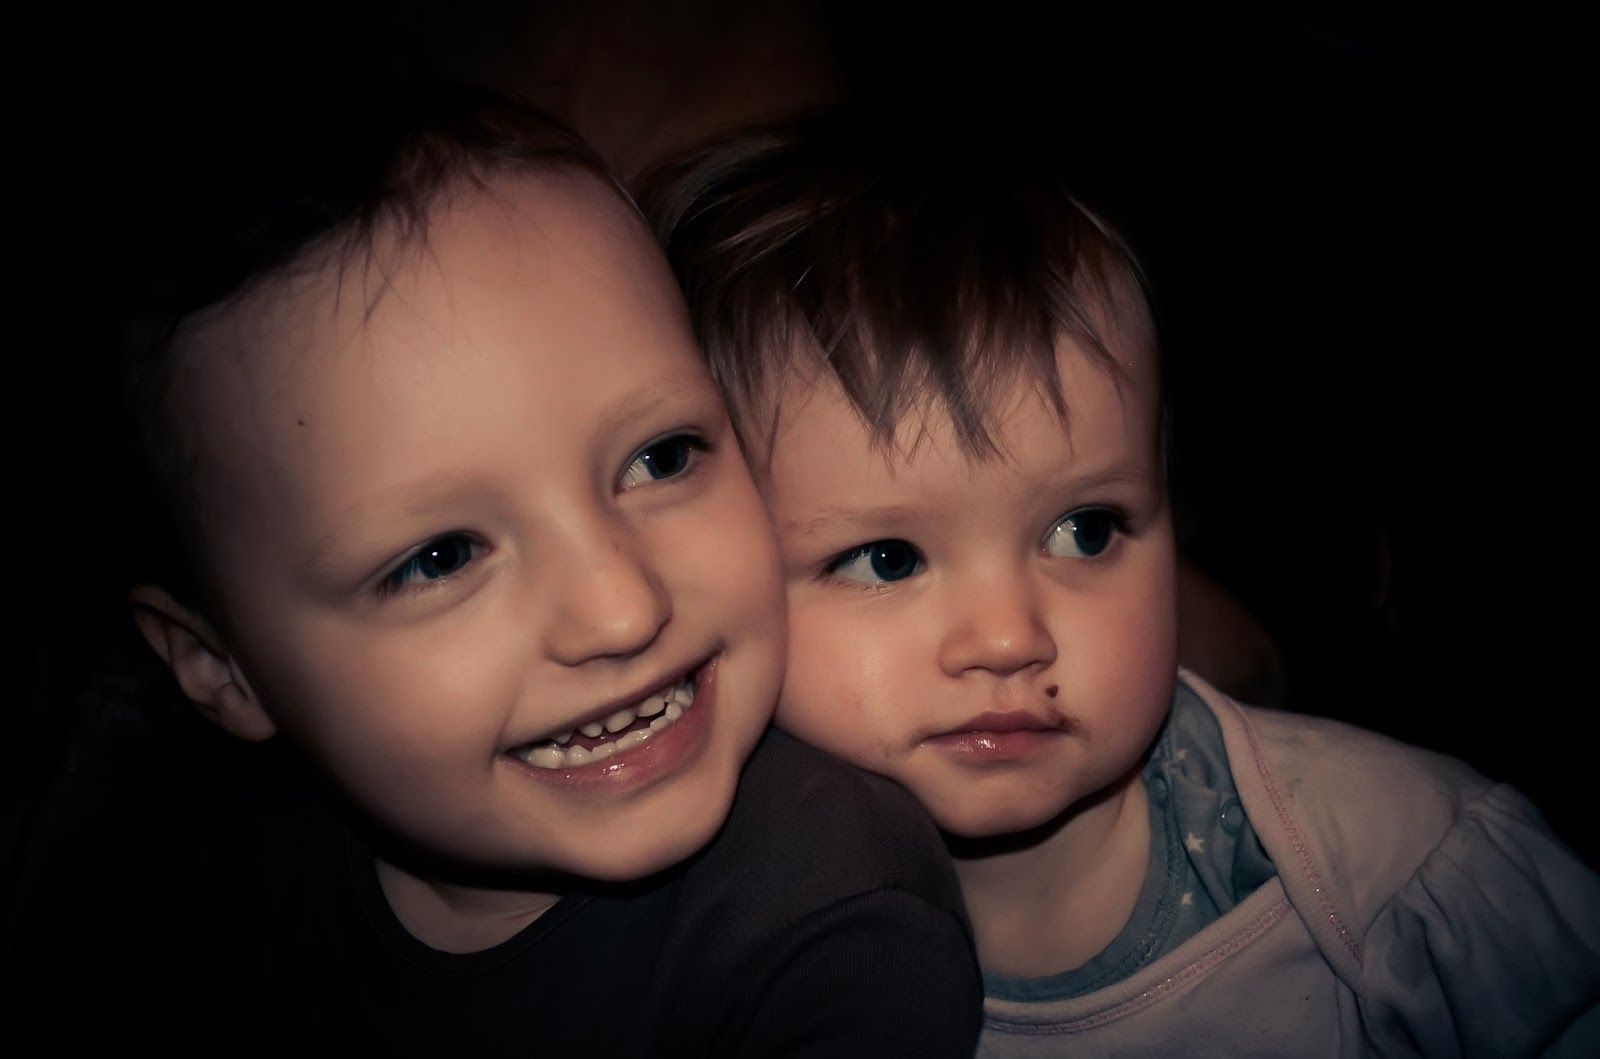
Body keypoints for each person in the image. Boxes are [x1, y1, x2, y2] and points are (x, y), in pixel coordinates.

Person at [6, 81, 982, 1055]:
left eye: (661, 458)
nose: (621, 609)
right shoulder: (170, 884)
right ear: (221, 665)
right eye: (441, 558)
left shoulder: (830, 920)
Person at [639, 107, 1600, 1056]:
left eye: (1084, 530)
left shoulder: (1406, 868)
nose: (1009, 637)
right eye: (889, 557)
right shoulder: (692, 969)